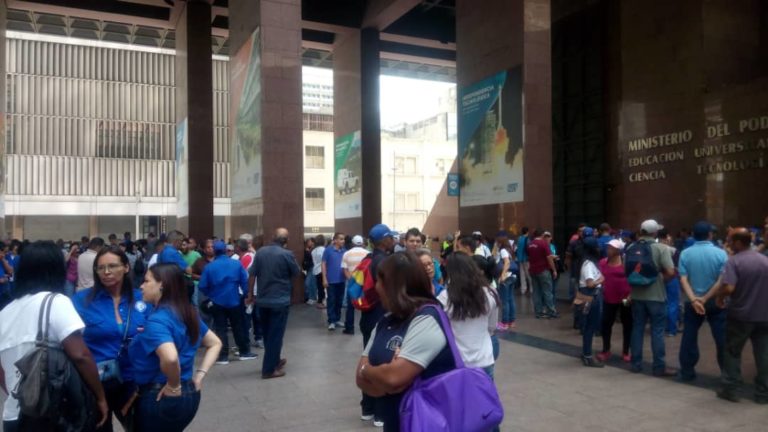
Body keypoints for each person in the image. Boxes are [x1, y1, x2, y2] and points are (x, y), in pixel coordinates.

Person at [0, 241, 108, 431]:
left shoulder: (5, 312)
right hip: (50, 415)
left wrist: (21, 393)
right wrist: (100, 396)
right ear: (56, 270)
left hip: (13, 416)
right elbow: (80, 355)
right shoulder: (56, 302)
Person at [356, 252, 456, 432]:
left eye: (379, 281)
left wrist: (369, 371)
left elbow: (393, 377)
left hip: (427, 424)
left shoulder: (427, 319)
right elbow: (361, 380)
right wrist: (384, 380)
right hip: (395, 422)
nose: (375, 287)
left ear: (392, 286)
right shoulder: (385, 322)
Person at [128, 263, 222, 432]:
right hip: (189, 393)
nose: (141, 286)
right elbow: (215, 343)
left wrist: (173, 385)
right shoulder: (186, 312)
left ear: (162, 285)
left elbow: (170, 358)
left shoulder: (157, 320)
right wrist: (200, 375)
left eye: (147, 281)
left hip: (161, 395)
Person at [73, 245, 151, 432]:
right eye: (100, 268)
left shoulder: (143, 298)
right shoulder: (81, 300)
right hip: (96, 382)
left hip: (134, 381)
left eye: (112, 266)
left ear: (126, 267)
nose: (106, 272)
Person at [715, 228, 768, 403]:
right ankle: (763, 393)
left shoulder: (734, 261)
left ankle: (731, 389)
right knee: (763, 354)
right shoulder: (764, 260)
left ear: (738, 242)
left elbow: (729, 287)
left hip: (740, 315)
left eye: (730, 240)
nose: (728, 244)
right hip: (764, 315)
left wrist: (720, 296)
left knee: (732, 352)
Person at [678, 221, 728, 382]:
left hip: (692, 302)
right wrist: (705, 298)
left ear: (693, 235)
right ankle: (726, 373)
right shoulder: (721, 254)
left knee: (689, 336)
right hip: (715, 301)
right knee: (721, 338)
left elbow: (683, 279)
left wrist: (694, 300)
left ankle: (687, 372)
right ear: (710, 235)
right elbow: (721, 280)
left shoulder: (685, 253)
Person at [247, 228, 300, 379]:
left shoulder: (260, 252)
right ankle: (269, 369)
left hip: (263, 300)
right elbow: (296, 272)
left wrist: (250, 294)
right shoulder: (287, 254)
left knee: (268, 333)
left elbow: (252, 274)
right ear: (286, 240)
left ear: (272, 237)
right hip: (280, 301)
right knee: (276, 335)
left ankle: (275, 360)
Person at [627, 219, 676, 376]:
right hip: (656, 295)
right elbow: (670, 272)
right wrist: (660, 279)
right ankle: (659, 367)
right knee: (657, 331)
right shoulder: (661, 248)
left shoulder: (631, 248)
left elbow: (626, 271)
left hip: (636, 295)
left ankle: (636, 364)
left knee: (637, 328)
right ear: (655, 232)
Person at [358, 223, 396, 426]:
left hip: (367, 316)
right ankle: (380, 413)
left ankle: (367, 408)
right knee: (381, 363)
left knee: (369, 360)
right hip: (381, 317)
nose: (393, 240)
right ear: (384, 240)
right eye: (391, 237)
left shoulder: (368, 258)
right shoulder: (385, 263)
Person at [199, 241, 258, 365]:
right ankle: (244, 352)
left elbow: (202, 286)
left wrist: (211, 294)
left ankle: (223, 356)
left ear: (215, 251)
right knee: (238, 327)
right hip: (234, 300)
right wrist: (247, 295)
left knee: (220, 329)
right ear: (226, 250)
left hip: (217, 301)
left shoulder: (209, 267)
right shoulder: (236, 264)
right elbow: (244, 281)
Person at [439, 253, 498, 376]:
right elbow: (492, 327)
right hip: (485, 359)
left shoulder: (444, 297)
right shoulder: (490, 293)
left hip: (457, 362)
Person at [597, 239, 633, 363]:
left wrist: (631, 294)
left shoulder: (626, 262)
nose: (609, 250)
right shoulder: (603, 262)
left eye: (612, 248)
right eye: (608, 248)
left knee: (627, 323)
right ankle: (606, 349)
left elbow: (633, 278)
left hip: (625, 298)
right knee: (606, 323)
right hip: (609, 298)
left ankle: (626, 351)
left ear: (618, 250)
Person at [577, 237, 605, 367]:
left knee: (588, 326)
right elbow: (590, 283)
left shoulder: (587, 262)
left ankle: (586, 353)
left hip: (587, 295)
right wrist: (601, 280)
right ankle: (588, 355)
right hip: (590, 295)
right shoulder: (588, 264)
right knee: (590, 326)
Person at [527, 229, 559, 319]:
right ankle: (551, 311)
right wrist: (554, 270)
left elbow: (529, 256)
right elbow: (549, 258)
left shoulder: (529, 245)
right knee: (547, 291)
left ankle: (538, 312)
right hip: (543, 270)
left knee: (536, 292)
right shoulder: (543, 244)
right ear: (542, 235)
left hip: (533, 270)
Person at [341, 235, 369, 335]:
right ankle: (365, 326)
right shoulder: (368, 253)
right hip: (364, 284)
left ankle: (350, 328)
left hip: (352, 284)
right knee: (364, 304)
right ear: (362, 243)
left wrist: (352, 281)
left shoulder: (346, 254)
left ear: (352, 243)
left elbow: (344, 269)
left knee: (350, 306)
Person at [658, 228, 682, 337]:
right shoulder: (673, 250)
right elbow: (677, 266)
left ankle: (664, 327)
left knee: (663, 303)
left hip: (660, 278)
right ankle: (672, 329)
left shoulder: (654, 248)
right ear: (667, 236)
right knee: (673, 303)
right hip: (672, 278)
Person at [322, 232, 347, 331]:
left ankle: (337, 319)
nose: (343, 241)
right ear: (335, 240)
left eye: (343, 239)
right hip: (331, 280)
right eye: (341, 239)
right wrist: (324, 278)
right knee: (331, 300)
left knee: (339, 301)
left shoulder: (344, 251)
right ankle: (331, 321)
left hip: (342, 280)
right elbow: (323, 264)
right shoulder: (328, 250)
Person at [493, 231, 516, 330]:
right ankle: (511, 321)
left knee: (505, 301)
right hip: (512, 276)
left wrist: (502, 275)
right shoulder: (509, 249)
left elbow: (506, 262)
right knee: (510, 299)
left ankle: (505, 322)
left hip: (506, 277)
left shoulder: (503, 250)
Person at [311, 235, 326, 308]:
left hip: (316, 270)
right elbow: (325, 261)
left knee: (319, 287)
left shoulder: (313, 251)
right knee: (325, 287)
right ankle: (323, 301)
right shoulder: (324, 250)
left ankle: (320, 302)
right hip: (323, 270)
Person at [516, 227, 531, 295]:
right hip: (526, 258)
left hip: (520, 258)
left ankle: (523, 289)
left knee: (522, 275)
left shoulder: (519, 239)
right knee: (528, 274)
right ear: (527, 232)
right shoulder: (527, 239)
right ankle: (531, 288)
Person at [303, 238, 316, 304]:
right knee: (310, 283)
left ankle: (312, 298)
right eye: (308, 241)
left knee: (309, 283)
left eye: (310, 241)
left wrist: (308, 252)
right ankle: (310, 297)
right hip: (308, 268)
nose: (309, 243)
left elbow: (313, 258)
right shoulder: (306, 249)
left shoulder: (313, 250)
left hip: (312, 267)